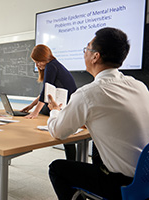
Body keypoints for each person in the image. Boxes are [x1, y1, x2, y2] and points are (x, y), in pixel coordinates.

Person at [47, 27, 149, 200]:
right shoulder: (139, 85)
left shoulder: (88, 93)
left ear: (95, 56)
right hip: (145, 177)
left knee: (57, 169)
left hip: (124, 184)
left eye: (87, 48)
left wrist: (55, 111)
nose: (84, 53)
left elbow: (58, 132)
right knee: (96, 153)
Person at [21, 44, 77, 161]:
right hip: (67, 106)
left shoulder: (51, 66)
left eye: (38, 62)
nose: (37, 65)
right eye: (35, 62)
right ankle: (72, 161)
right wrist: (31, 106)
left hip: (64, 106)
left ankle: (71, 161)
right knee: (66, 136)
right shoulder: (55, 65)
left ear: (45, 58)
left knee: (41, 117)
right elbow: (46, 92)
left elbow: (46, 93)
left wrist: (35, 112)